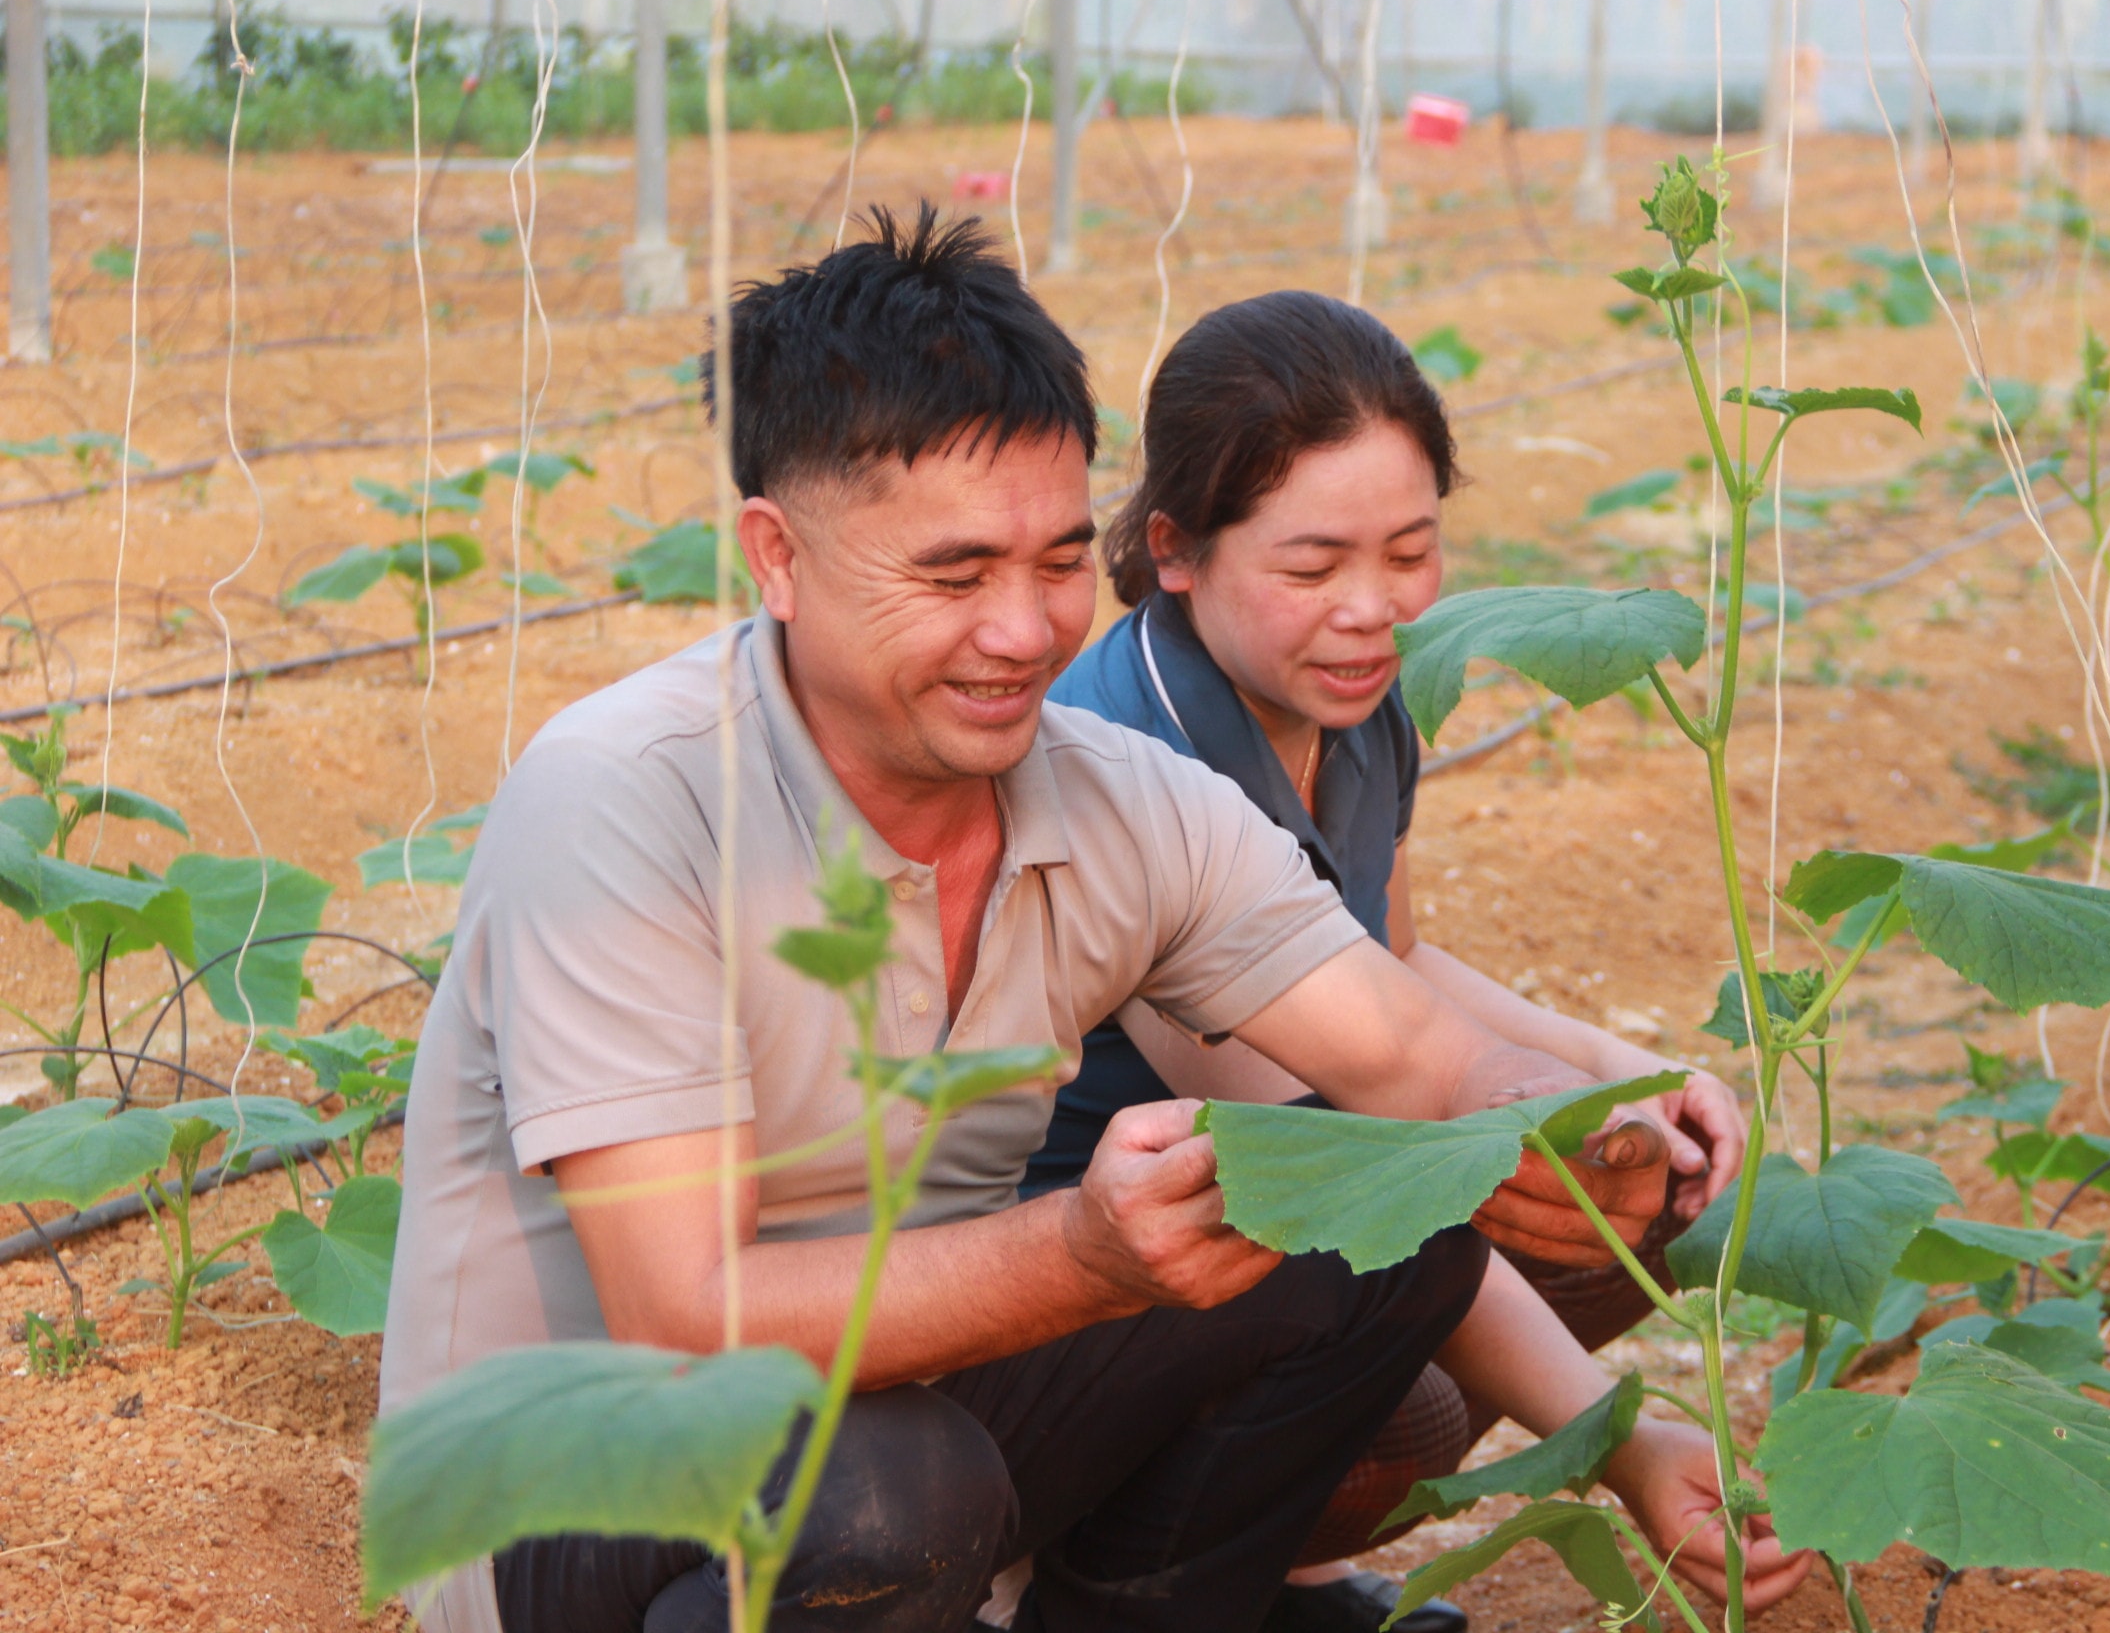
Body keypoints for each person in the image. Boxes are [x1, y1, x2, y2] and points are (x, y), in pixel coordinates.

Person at [380, 209, 1715, 1633]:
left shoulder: (1114, 798)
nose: (1024, 631)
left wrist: (1564, 1126)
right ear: (776, 558)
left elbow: (1410, 1053)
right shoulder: (632, 802)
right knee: (896, 1484)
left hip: (916, 1425)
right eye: (954, 578)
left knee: (1392, 1243)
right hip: (570, 1501)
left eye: (1060, 562)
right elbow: (685, 1313)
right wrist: (1078, 1258)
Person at [1032, 290, 1806, 1632]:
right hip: (1106, 1299)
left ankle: (1288, 1569)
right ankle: (1151, 1578)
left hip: (1285, 1232)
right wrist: (1622, 1444)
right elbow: (1346, 1166)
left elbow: (1391, 960)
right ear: (1176, 549)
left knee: (1648, 1172)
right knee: (1410, 1358)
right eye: (1314, 564)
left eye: (1410, 552)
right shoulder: (1130, 766)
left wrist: (1636, 1067)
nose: (1372, 611)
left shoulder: (1362, 703)